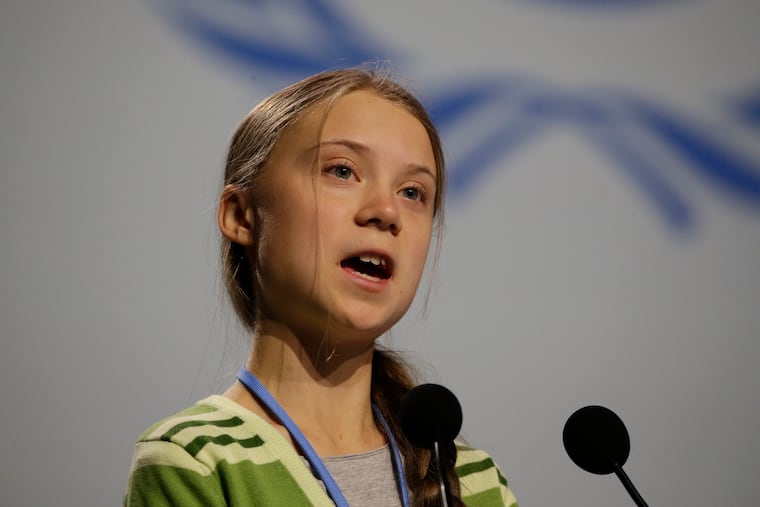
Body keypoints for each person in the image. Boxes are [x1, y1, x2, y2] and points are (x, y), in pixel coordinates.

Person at [124, 67, 518, 507]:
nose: (386, 211)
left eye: (412, 192)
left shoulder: (472, 480)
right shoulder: (197, 462)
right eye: (343, 171)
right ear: (240, 215)